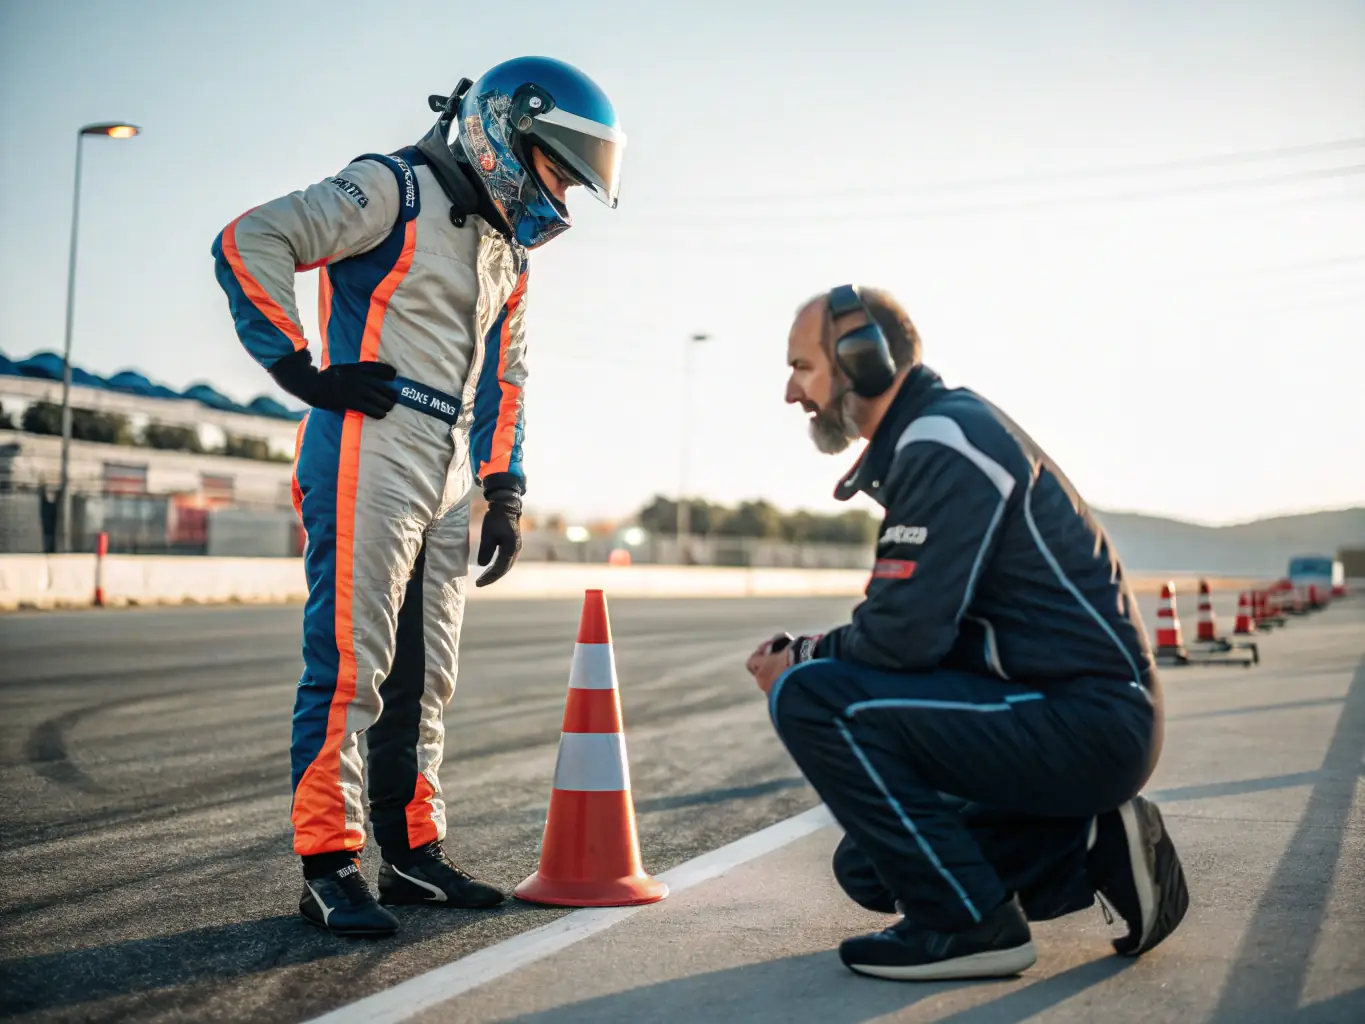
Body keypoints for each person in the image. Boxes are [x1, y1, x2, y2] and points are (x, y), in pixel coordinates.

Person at [210, 57, 626, 937]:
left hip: (444, 469)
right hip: (370, 434)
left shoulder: (506, 253)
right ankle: (328, 864)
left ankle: (410, 852)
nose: (564, 196)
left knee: (426, 677)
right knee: (351, 668)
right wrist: (300, 371)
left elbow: (508, 378)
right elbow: (251, 239)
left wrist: (505, 487)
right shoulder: (389, 186)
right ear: (512, 134)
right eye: (560, 171)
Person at [747, 285, 1189, 980]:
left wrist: (802, 657)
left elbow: (901, 639)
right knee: (868, 865)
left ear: (864, 359)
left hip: (1084, 719)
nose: (789, 392)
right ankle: (1098, 844)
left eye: (802, 366)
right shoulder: (936, 434)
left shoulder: (943, 439)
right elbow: (922, 628)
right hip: (1061, 711)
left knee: (811, 696)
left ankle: (970, 928)